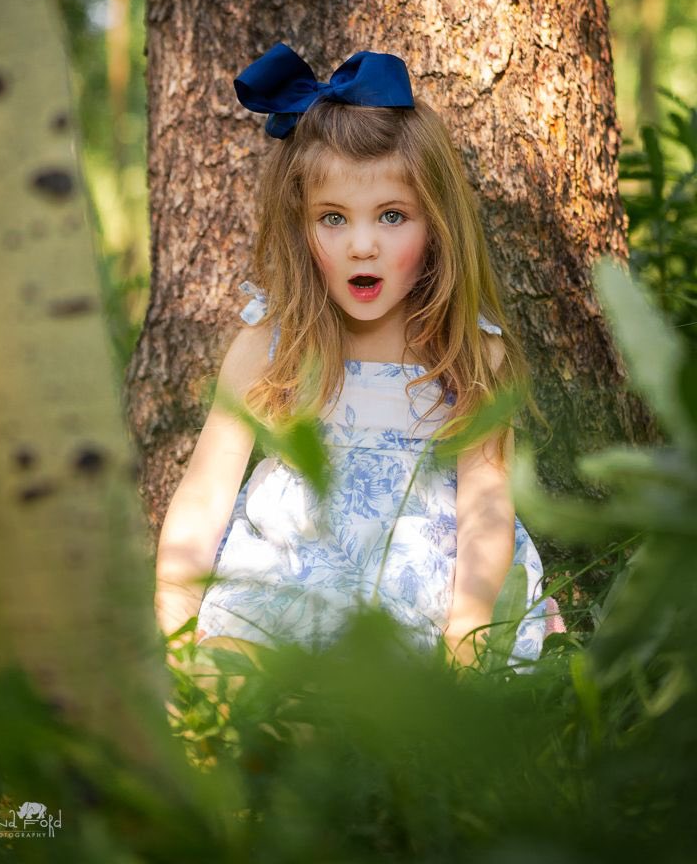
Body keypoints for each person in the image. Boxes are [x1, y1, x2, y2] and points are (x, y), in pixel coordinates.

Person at [155, 42, 565, 674]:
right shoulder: (268, 348)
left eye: (393, 216)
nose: (363, 245)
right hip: (287, 586)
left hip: (419, 599)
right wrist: (176, 619)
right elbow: (204, 495)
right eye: (334, 219)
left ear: (436, 228)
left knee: (401, 712)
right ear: (300, 226)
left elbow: (486, 508)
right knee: (228, 677)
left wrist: (468, 632)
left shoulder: (469, 354)